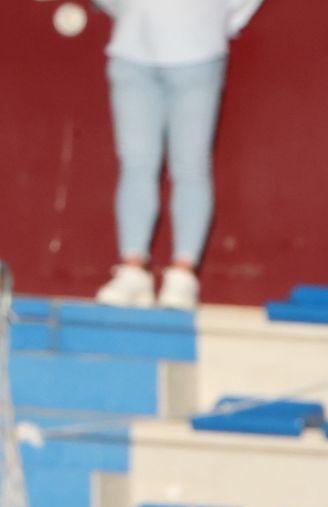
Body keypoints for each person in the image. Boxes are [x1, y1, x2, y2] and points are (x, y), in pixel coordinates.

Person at [91, 0, 264, 310]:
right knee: (136, 164)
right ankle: (133, 269)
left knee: (191, 166)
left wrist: (218, 19)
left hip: (198, 51)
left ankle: (183, 275)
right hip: (132, 48)